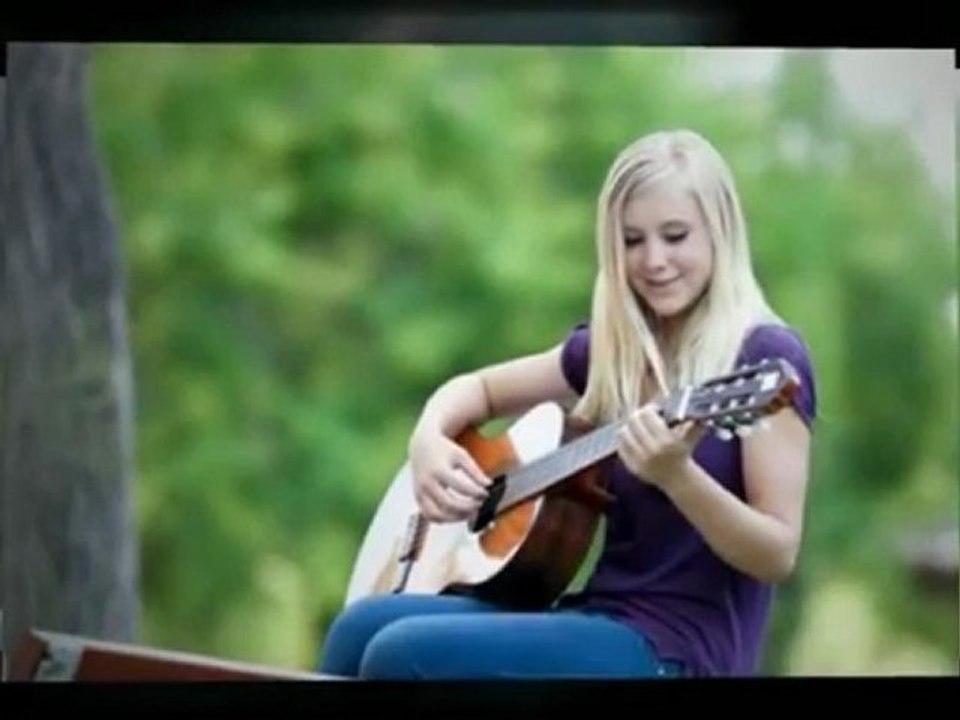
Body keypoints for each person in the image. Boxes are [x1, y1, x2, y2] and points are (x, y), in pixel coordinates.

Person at [317, 128, 817, 679]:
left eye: (675, 236)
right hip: (596, 616)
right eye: (632, 241)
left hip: (679, 650)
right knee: (357, 629)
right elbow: (477, 391)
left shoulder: (764, 357)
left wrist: (678, 477)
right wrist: (427, 442)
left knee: (400, 653)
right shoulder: (615, 351)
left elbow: (776, 554)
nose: (654, 260)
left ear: (720, 235)